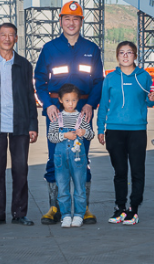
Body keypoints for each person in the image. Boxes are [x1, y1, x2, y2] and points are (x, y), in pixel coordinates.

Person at [34, 1, 104, 225]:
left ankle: (84, 208)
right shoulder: (50, 48)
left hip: (83, 112)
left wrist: (90, 105)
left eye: (75, 19)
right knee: (56, 157)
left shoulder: (91, 49)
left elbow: (98, 81)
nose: (71, 23)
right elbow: (39, 81)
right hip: (56, 113)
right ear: (61, 21)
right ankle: (55, 207)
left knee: (82, 158)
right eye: (67, 19)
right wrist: (48, 104)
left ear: (81, 22)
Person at [0, 22, 39, 227]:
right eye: (3, 35)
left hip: (20, 125)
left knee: (20, 170)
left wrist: (33, 125)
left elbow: (30, 97)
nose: (7, 38)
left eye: (11, 35)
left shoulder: (24, 65)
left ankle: (19, 213)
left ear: (16, 39)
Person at [97, 41, 154, 225]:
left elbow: (150, 102)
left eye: (129, 52)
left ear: (135, 56)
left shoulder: (144, 76)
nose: (125, 56)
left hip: (137, 130)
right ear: (117, 56)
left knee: (137, 171)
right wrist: (100, 129)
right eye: (122, 52)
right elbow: (103, 105)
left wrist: (152, 98)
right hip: (114, 130)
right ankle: (120, 208)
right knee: (120, 172)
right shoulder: (110, 78)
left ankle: (133, 209)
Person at [48, 84, 95, 228]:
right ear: (60, 100)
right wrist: (64, 135)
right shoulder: (57, 118)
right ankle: (66, 215)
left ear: (78, 100)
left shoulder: (82, 118)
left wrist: (84, 132)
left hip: (78, 158)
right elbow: (51, 137)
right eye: (67, 100)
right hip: (61, 159)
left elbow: (91, 135)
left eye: (74, 100)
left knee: (80, 187)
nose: (70, 104)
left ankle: (79, 215)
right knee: (63, 188)